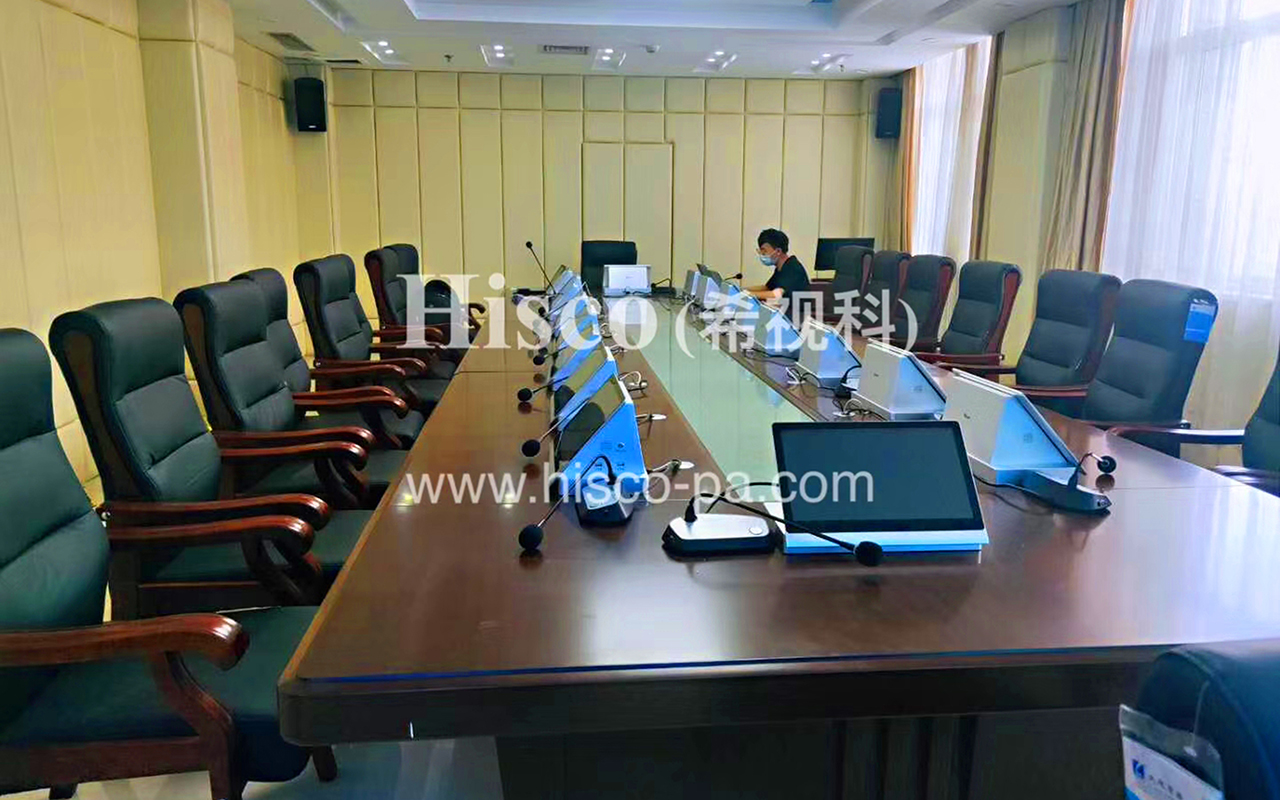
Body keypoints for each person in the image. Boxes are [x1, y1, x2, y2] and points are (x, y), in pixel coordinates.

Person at [746, 228, 810, 303]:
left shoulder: (793, 268)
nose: (762, 255)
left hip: (795, 310)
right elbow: (767, 287)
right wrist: (742, 290)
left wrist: (748, 294)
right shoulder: (781, 268)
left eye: (764, 251)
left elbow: (776, 294)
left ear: (778, 251)